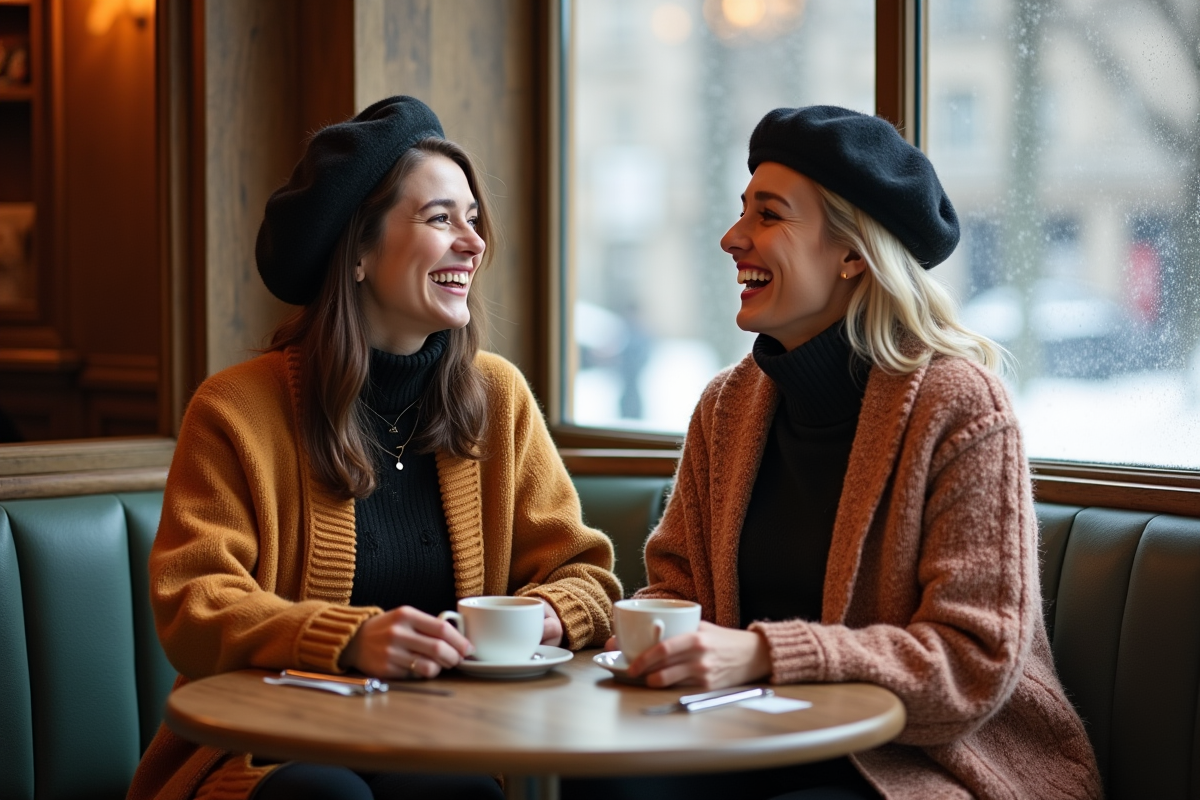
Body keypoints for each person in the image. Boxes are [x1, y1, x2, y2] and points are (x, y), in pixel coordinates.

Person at [568, 107, 1102, 799]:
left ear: (852, 253)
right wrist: (649, 637)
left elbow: (974, 664)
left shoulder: (960, 405)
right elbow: (679, 586)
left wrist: (763, 654)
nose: (733, 238)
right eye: (741, 212)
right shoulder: (727, 405)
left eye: (769, 215)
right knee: (602, 787)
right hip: (744, 741)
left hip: (926, 761)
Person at [128, 96, 621, 800]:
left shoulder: (496, 396)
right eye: (440, 218)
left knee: (462, 794)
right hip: (271, 748)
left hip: (448, 739)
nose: (474, 242)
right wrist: (348, 638)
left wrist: (547, 613)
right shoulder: (237, 409)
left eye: (473, 219)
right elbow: (195, 603)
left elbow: (587, 576)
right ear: (358, 251)